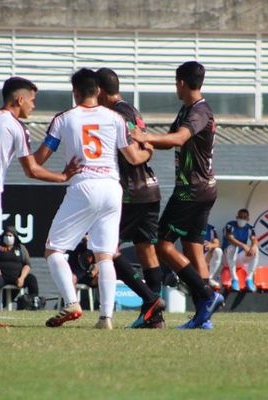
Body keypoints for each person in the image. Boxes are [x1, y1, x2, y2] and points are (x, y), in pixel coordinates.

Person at [0, 76, 80, 327]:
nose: (33, 106)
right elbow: (32, 169)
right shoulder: (15, 126)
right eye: (32, 100)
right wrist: (63, 176)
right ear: (19, 99)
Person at [34, 68, 152, 329]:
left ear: (75, 92)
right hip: (112, 187)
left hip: (84, 185)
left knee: (53, 249)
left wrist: (60, 174)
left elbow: (38, 160)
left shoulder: (64, 119)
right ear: (98, 91)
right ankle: (106, 317)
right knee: (105, 255)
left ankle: (71, 302)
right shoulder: (115, 118)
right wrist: (148, 152)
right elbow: (133, 158)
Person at [130, 61, 224, 329]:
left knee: (162, 244)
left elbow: (178, 139)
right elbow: (170, 139)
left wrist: (143, 136)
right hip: (201, 188)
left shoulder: (199, 111)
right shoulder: (188, 109)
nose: (175, 87)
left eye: (175, 82)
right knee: (193, 248)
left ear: (182, 82)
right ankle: (203, 317)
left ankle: (207, 296)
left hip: (191, 191)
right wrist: (146, 141)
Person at [95, 67, 165, 329]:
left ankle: (150, 300)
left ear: (100, 91)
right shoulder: (133, 110)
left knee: (107, 249)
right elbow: (146, 146)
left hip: (131, 193)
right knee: (146, 249)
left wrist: (144, 152)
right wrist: (148, 150)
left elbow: (135, 155)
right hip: (150, 187)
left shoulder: (115, 116)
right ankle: (154, 318)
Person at [0, 228, 39, 310]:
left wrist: (22, 277)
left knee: (32, 279)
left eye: (10, 235)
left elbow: (27, 265)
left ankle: (33, 303)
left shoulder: (21, 248)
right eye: (6, 235)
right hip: (1, 276)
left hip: (17, 277)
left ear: (15, 237)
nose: (8, 237)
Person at [223, 208, 259, 292]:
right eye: (240, 217)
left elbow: (254, 239)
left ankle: (249, 279)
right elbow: (230, 238)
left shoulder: (249, 228)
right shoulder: (230, 225)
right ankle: (234, 279)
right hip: (226, 259)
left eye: (244, 217)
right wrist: (244, 246)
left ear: (248, 219)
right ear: (236, 217)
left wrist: (253, 246)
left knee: (255, 250)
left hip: (239, 259)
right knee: (232, 247)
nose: (242, 219)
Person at [204, 224, 223, 288]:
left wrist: (211, 245)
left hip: (206, 255)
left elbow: (217, 243)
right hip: (193, 255)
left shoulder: (211, 228)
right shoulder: (192, 226)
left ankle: (209, 278)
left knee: (218, 251)